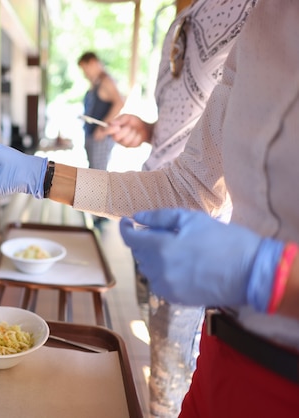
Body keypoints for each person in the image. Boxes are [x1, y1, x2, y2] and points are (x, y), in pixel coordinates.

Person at [0, 1, 299, 415]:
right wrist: (38, 175)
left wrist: (268, 274)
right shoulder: (258, 21)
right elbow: (189, 186)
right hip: (226, 352)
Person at [106, 1, 255, 415]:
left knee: (175, 376)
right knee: (161, 353)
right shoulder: (176, 21)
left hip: (199, 226)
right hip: (151, 210)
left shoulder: (253, 10)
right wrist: (151, 130)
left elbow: (206, 172)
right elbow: (190, 130)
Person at [77, 52, 123, 170]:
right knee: (93, 171)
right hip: (91, 136)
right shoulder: (96, 83)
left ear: (92, 63)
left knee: (98, 174)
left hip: (100, 138)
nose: (84, 74)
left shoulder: (106, 81)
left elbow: (119, 102)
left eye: (85, 69)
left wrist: (103, 128)